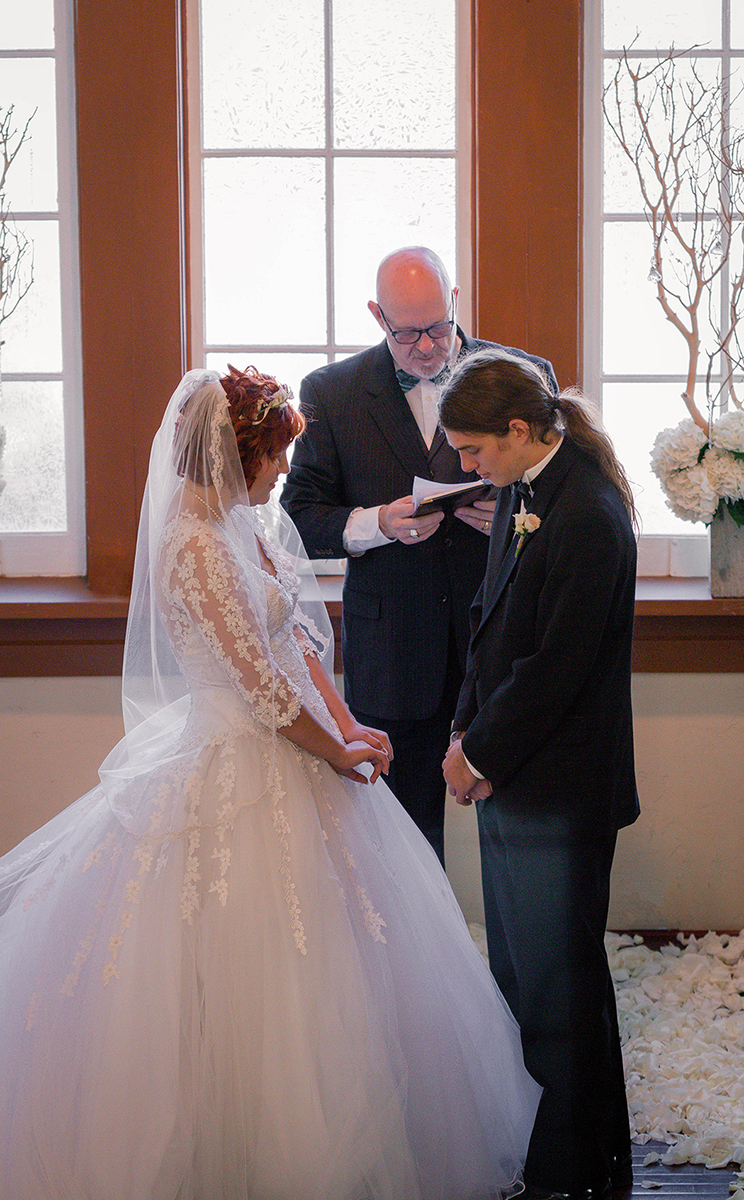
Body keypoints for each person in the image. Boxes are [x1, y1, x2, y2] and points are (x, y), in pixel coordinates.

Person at [0, 364, 541, 1200]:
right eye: (276, 458)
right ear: (236, 455)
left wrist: (348, 721)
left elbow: (295, 644)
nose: (285, 472)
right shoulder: (193, 548)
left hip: (296, 740)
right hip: (237, 755)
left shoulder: (243, 524)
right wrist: (335, 752)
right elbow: (257, 687)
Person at [282, 245, 557, 864]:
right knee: (401, 842)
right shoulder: (333, 391)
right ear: (378, 316)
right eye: (408, 334)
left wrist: (511, 520)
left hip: (501, 641)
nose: (428, 347)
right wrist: (376, 523)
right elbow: (299, 514)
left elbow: (565, 503)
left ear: (455, 301)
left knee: (516, 833)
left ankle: (509, 956)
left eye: (437, 327)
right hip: (394, 646)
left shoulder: (522, 375)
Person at [439, 351, 640, 1200]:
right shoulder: (525, 492)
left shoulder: (588, 511)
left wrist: (478, 753)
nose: (467, 469)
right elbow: (490, 630)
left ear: (520, 431)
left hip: (560, 789)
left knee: (559, 986)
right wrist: (463, 730)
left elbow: (560, 664)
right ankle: (565, 1153)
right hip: (512, 775)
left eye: (475, 451)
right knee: (524, 975)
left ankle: (571, 1168)